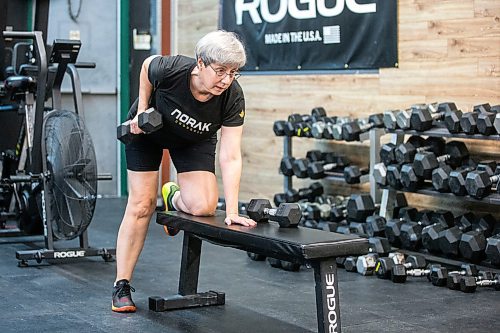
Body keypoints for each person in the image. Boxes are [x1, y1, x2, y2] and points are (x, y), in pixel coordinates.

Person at [112, 30, 257, 313]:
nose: (226, 80)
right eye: (220, 71)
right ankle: (121, 285)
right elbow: (147, 66)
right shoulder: (173, 68)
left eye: (233, 73)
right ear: (200, 63)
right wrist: (142, 110)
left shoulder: (232, 97)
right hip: (148, 133)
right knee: (141, 205)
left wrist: (232, 210)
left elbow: (230, 155)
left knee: (203, 207)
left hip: (194, 139)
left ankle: (173, 196)